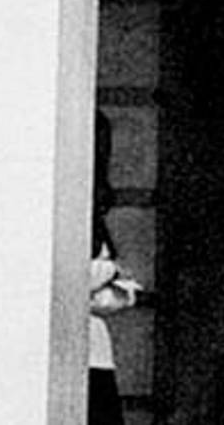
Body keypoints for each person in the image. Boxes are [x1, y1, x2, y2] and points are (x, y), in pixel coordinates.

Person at [89, 110, 139, 425]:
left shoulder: (92, 213)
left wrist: (112, 286)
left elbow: (124, 292)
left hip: (95, 353)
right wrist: (110, 272)